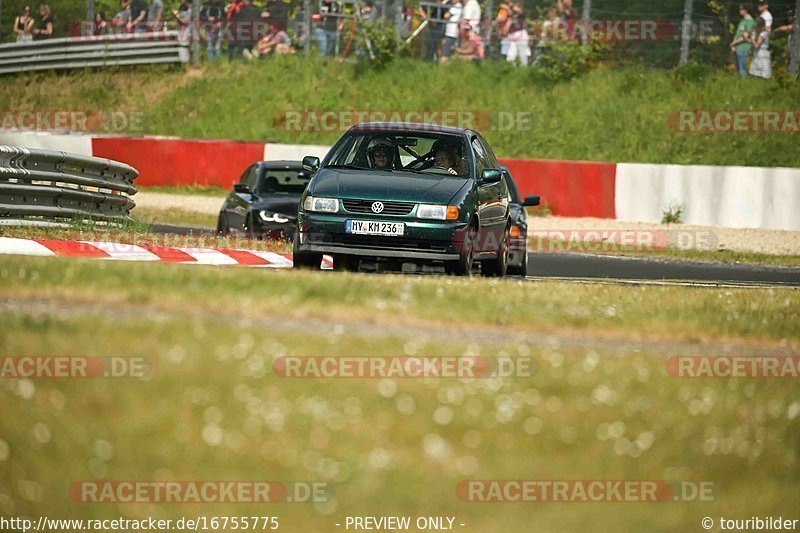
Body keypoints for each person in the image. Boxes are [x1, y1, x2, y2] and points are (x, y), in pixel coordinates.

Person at [731, 3, 756, 78]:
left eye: (741, 9)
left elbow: (745, 36)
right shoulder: (742, 21)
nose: (739, 11)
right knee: (737, 68)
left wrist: (734, 43)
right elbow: (738, 33)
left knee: (742, 69)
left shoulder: (750, 21)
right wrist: (734, 44)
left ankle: (744, 83)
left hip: (744, 47)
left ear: (746, 10)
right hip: (737, 47)